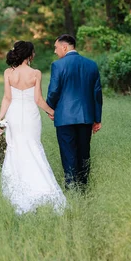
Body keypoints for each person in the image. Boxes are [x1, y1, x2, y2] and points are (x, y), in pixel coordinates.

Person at [0, 41, 66, 214]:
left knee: (16, 149)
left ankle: (17, 192)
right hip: (30, 116)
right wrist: (53, 112)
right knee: (33, 147)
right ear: (30, 55)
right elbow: (38, 100)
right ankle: (42, 189)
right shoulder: (35, 73)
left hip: (13, 116)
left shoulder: (8, 73)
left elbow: (7, 98)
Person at [46, 34, 103, 190]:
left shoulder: (58, 65)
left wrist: (50, 109)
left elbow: (53, 92)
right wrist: (97, 119)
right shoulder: (91, 65)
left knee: (68, 152)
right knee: (84, 152)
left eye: (56, 48)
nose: (55, 52)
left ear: (65, 47)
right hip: (86, 117)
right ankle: (84, 187)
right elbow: (97, 93)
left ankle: (71, 186)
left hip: (64, 117)